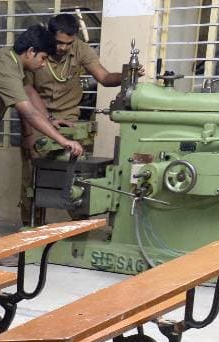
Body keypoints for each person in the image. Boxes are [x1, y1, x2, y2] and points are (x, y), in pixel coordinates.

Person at [0, 24, 85, 240]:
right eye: (43, 58)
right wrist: (63, 141)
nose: (44, 64)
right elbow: (28, 112)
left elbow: (29, 92)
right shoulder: (4, 69)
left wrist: (51, 121)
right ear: (30, 52)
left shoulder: (10, 59)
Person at [19, 13, 138, 219]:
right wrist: (29, 136)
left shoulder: (81, 49)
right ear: (50, 35)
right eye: (59, 42)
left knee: (76, 178)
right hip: (36, 118)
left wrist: (126, 75)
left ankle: (79, 228)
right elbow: (25, 96)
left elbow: (105, 77)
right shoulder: (36, 51)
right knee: (33, 181)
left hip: (69, 120)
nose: (63, 48)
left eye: (68, 43)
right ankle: (31, 229)